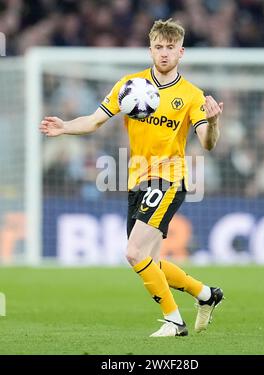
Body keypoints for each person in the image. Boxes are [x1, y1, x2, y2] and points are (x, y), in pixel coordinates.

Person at [40, 18, 224, 337]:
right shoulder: (130, 85)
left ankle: (174, 321)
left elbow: (207, 142)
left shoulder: (192, 96)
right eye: (158, 47)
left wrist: (214, 121)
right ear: (149, 49)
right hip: (137, 180)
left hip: (170, 179)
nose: (164, 54)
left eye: (170, 48)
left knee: (133, 253)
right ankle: (207, 295)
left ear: (181, 52)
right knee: (148, 261)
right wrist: (65, 126)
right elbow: (96, 120)